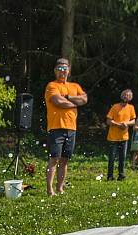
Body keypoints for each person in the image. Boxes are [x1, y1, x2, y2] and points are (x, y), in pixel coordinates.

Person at [44, 58, 87, 196]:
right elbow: (57, 101)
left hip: (71, 128)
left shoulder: (75, 86)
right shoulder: (52, 85)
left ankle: (60, 188)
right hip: (56, 127)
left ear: (69, 70)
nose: (63, 71)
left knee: (65, 160)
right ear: (55, 71)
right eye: (60, 69)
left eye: (65, 69)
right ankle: (50, 190)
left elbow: (84, 99)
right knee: (54, 159)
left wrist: (67, 97)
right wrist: (75, 102)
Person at [106, 89, 136, 181]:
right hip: (113, 137)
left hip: (124, 137)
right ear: (121, 96)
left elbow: (133, 121)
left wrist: (126, 124)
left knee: (122, 158)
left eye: (128, 95)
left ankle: (121, 175)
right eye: (124, 95)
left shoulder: (131, 107)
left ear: (130, 98)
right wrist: (119, 125)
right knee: (112, 158)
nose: (126, 96)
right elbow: (108, 121)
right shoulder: (115, 107)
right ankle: (110, 176)